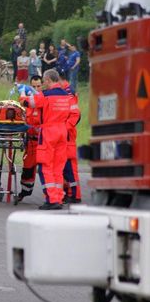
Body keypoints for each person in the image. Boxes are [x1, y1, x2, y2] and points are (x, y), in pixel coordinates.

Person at [19, 69, 79, 210]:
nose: (43, 84)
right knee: (58, 167)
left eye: (44, 82)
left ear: (47, 80)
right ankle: (58, 197)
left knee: (46, 166)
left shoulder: (45, 95)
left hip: (48, 132)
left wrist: (22, 93)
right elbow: (74, 114)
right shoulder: (67, 96)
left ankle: (52, 200)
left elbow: (27, 103)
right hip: (62, 132)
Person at [18, 75, 43, 201]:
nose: (36, 89)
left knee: (46, 169)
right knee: (27, 167)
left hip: (43, 141)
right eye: (33, 87)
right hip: (31, 141)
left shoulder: (44, 99)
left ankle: (56, 195)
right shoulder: (29, 100)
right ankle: (25, 191)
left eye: (38, 86)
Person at [59, 71, 82, 203]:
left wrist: (64, 128)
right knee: (65, 166)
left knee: (70, 167)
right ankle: (69, 192)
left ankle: (75, 195)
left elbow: (75, 115)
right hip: (65, 132)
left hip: (67, 134)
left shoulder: (68, 93)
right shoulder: (66, 91)